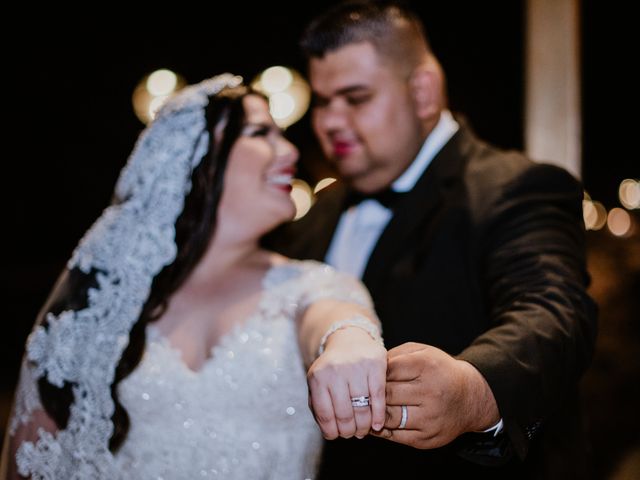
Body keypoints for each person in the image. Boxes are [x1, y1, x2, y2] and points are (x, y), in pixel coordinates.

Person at [265, 1, 598, 478]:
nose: (329, 121)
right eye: (322, 100)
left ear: (422, 92)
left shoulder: (516, 186)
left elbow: (554, 311)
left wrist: (474, 389)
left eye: (355, 98)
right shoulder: (319, 212)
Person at [0, 73, 388, 479]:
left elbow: (333, 317)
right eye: (261, 132)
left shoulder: (309, 284)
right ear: (194, 158)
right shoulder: (106, 306)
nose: (289, 150)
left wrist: (347, 340)